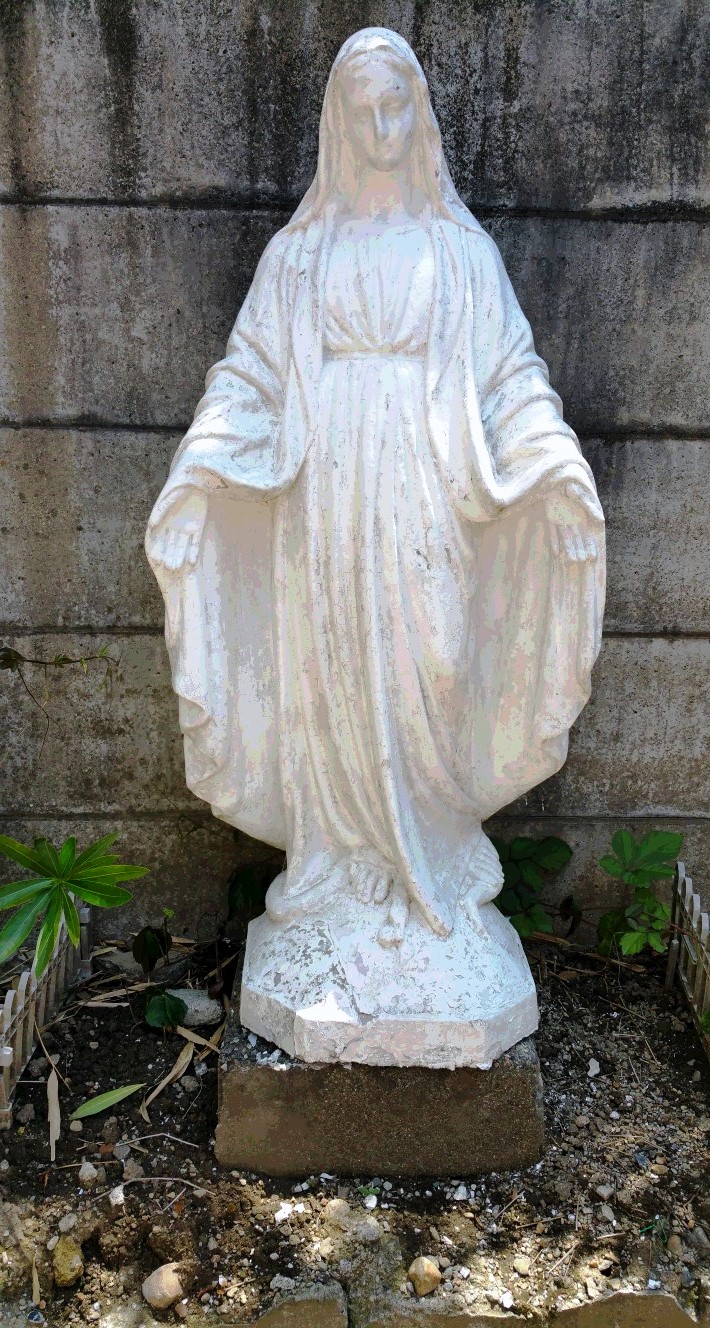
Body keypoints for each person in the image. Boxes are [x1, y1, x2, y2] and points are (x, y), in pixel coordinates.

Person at [146, 27, 605, 955]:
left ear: (419, 113)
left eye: (397, 106)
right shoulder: (298, 257)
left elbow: (510, 378)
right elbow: (248, 377)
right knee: (328, 668)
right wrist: (199, 475)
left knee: (430, 662)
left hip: (429, 489)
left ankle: (427, 855)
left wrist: (554, 470)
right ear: (340, 124)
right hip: (323, 494)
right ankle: (339, 864)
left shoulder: (462, 256)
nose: (383, 127)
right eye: (364, 112)